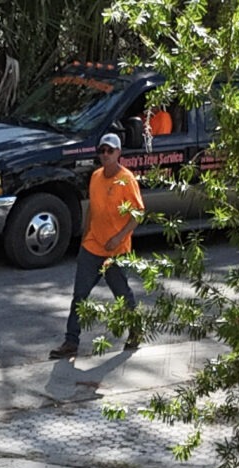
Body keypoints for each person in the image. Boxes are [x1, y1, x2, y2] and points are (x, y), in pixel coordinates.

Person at [52, 129, 145, 361]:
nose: (105, 155)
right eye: (102, 151)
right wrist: (85, 235)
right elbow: (93, 208)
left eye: (109, 151)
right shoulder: (95, 176)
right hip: (92, 247)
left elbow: (138, 213)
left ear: (118, 153)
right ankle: (70, 342)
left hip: (116, 251)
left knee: (122, 295)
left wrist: (119, 237)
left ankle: (136, 332)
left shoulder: (126, 179)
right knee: (79, 296)